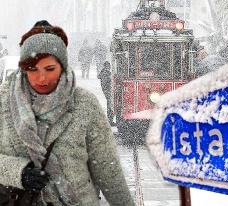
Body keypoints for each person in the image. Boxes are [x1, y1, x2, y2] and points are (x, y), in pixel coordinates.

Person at [0, 20, 134, 205]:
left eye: (50, 69)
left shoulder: (84, 104)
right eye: (32, 69)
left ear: (62, 68)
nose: (41, 78)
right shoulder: (3, 101)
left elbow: (107, 169)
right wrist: (19, 172)